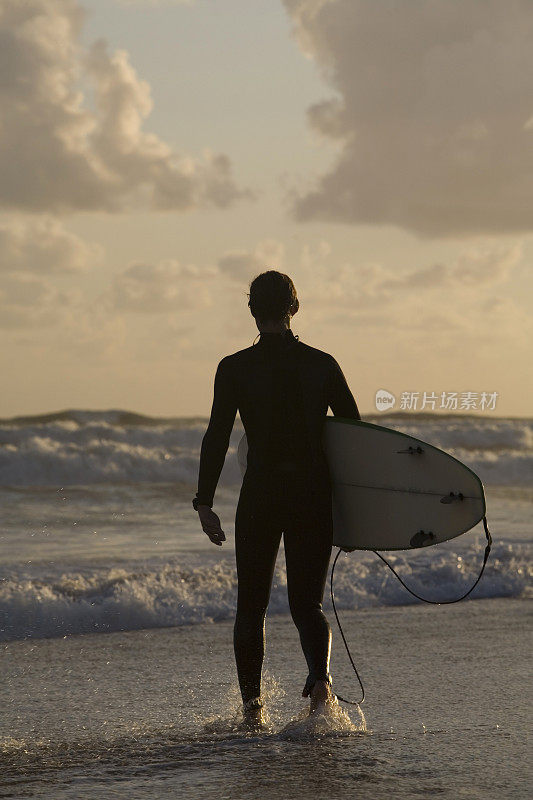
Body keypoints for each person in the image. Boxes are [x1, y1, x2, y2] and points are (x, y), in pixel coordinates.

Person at [192, 270, 361, 729]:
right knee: (308, 604)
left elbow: (217, 437)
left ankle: (252, 713)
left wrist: (204, 501)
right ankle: (322, 686)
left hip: (261, 495)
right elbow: (353, 435)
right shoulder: (322, 364)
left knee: (251, 606)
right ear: (295, 307)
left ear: (252, 310)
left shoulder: (234, 368)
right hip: (311, 494)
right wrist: (356, 512)